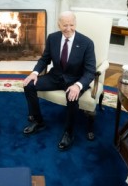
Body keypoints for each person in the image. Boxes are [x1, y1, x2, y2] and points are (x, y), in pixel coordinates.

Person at [23, 11, 96, 150]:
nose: (68, 29)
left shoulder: (87, 43)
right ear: (59, 25)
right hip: (55, 76)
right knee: (29, 85)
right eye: (65, 25)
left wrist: (78, 85)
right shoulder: (52, 38)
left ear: (75, 24)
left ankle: (69, 133)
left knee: (72, 97)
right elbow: (45, 59)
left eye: (71, 25)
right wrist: (34, 73)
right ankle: (38, 121)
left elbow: (90, 71)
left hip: (76, 79)